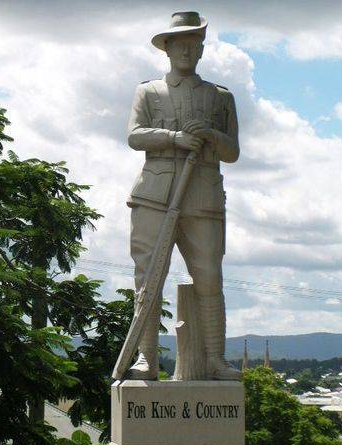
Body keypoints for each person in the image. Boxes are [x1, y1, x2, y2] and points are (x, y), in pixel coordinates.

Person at [126, 11, 240, 380]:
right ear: (168, 48)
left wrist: (209, 133)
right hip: (156, 196)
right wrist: (174, 138)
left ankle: (215, 359)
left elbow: (232, 151)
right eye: (181, 43)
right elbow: (135, 136)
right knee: (149, 278)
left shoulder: (219, 97)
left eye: (195, 44)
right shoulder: (149, 91)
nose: (187, 50)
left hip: (202, 198)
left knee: (210, 278)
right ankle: (146, 359)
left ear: (202, 49)